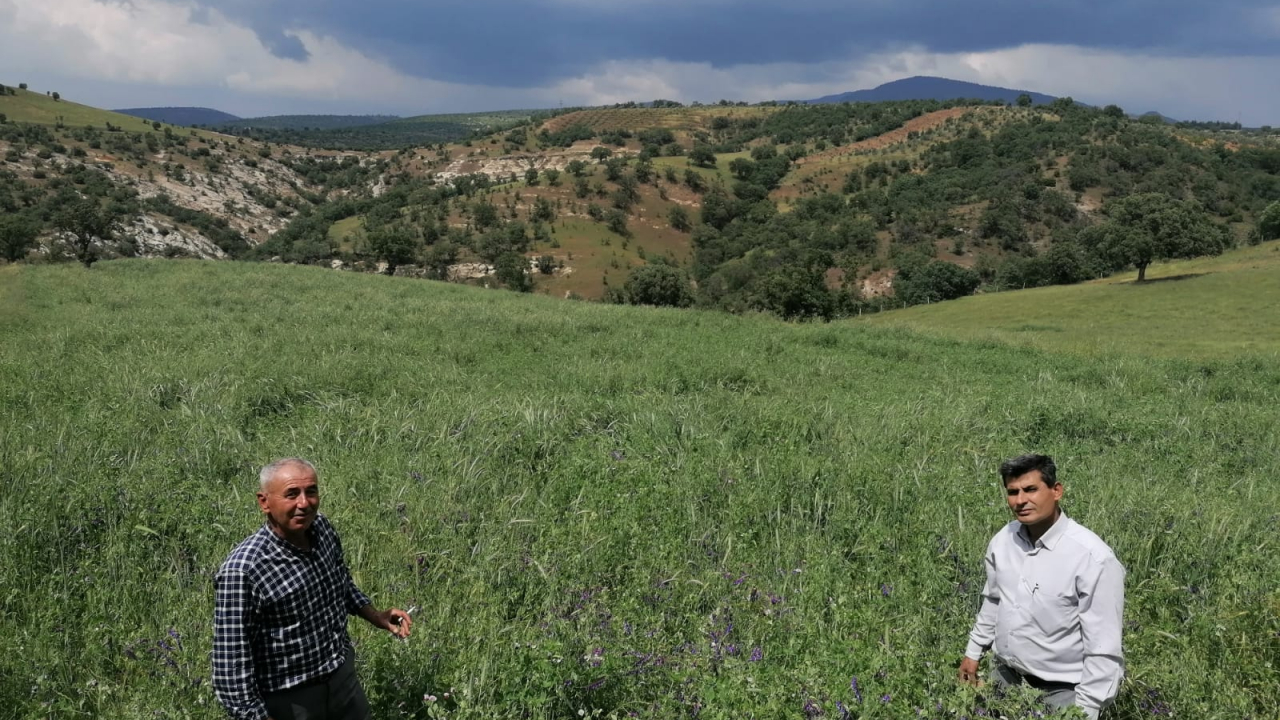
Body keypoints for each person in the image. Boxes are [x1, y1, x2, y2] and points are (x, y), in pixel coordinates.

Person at [213, 458, 413, 720]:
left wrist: (375, 615)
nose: (304, 503)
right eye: (291, 494)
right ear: (264, 502)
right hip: (292, 701)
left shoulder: (322, 529)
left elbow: (340, 581)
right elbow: (231, 667)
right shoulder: (243, 571)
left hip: (342, 680)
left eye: (311, 491)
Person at [958, 453, 1125, 719]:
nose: (1020, 500)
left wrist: (1085, 710)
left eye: (1030, 489)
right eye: (1013, 492)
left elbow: (1103, 647)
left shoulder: (1092, 558)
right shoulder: (1004, 541)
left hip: (1061, 693)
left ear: (1056, 491)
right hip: (1004, 679)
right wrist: (973, 652)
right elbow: (993, 600)